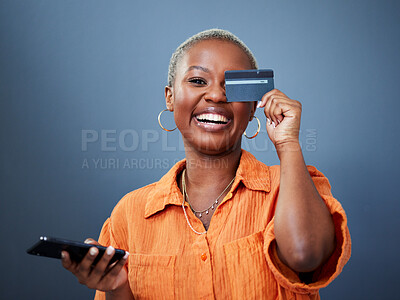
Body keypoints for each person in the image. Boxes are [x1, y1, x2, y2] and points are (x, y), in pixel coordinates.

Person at [61, 29, 351, 299]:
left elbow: (305, 255)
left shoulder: (293, 187)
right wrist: (117, 288)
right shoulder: (129, 214)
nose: (215, 95)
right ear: (170, 97)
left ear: (252, 108)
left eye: (232, 86)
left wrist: (288, 144)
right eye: (198, 81)